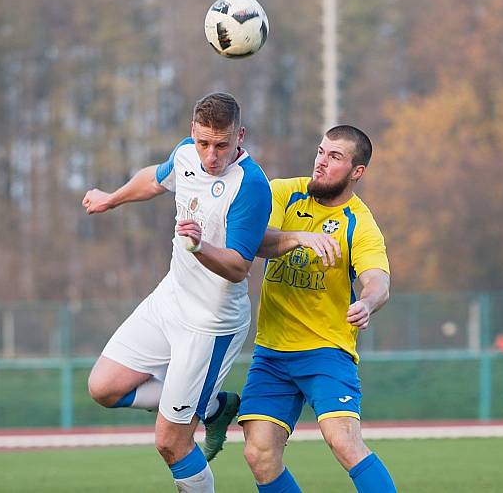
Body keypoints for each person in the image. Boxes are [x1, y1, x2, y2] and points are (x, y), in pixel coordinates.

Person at [82, 92, 271, 492]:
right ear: (192, 134)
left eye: (221, 145)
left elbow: (239, 267)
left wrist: (200, 247)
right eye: (203, 143)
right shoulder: (186, 155)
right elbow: (156, 178)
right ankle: (216, 406)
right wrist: (111, 199)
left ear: (240, 136)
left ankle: (205, 407)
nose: (210, 156)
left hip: (211, 325)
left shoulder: (251, 185)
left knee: (171, 442)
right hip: (170, 300)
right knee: (103, 387)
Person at [238, 125, 397, 492]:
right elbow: (254, 241)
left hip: (326, 351)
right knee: (259, 454)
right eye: (321, 152)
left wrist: (368, 302)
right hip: (273, 353)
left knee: (343, 440)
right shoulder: (283, 192)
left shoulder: (360, 223)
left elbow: (378, 280)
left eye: (335, 157)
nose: (321, 162)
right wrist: (301, 237)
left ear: (357, 172)